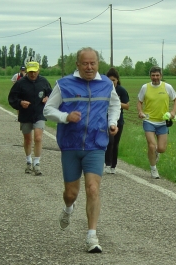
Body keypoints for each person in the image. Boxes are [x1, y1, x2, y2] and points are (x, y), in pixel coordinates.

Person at [43, 47, 121, 253]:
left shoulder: (106, 84)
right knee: (71, 193)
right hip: (71, 144)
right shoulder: (64, 84)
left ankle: (91, 236)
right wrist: (65, 117)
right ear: (77, 65)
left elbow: (115, 105)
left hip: (96, 144)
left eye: (93, 63)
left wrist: (112, 122)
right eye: (85, 63)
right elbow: (48, 109)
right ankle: (68, 208)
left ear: (98, 64)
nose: (89, 67)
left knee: (93, 188)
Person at [8, 61, 52, 176]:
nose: (33, 74)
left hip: (39, 113)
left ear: (38, 71)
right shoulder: (20, 83)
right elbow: (12, 98)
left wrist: (47, 98)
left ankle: (37, 163)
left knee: (38, 138)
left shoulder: (44, 81)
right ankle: (28, 161)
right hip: (25, 114)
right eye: (30, 72)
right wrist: (20, 103)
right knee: (28, 139)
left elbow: (51, 94)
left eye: (35, 71)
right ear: (27, 71)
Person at [137, 66, 176, 179]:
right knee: (151, 145)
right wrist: (140, 112)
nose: (155, 78)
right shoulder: (145, 87)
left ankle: (156, 153)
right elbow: (139, 102)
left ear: (161, 76)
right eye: (153, 75)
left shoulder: (167, 87)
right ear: (150, 76)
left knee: (161, 148)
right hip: (149, 120)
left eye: (157, 75)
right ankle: (153, 169)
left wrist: (173, 112)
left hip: (162, 122)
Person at [104, 67, 130, 174]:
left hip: (119, 120)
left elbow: (127, 106)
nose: (112, 82)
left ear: (117, 80)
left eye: (114, 80)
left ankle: (113, 166)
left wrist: (115, 103)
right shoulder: (104, 90)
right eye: (109, 80)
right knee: (109, 142)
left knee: (115, 143)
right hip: (106, 119)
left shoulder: (121, 90)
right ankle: (107, 163)